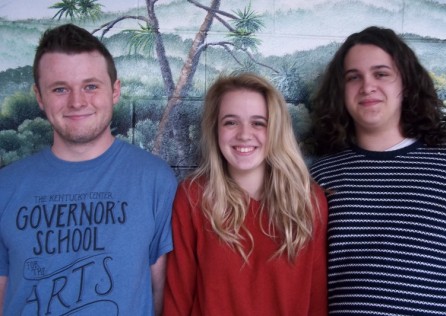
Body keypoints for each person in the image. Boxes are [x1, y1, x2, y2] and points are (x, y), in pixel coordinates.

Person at [0, 24, 177, 315]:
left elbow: (160, 295)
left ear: (115, 90)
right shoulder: (6, 187)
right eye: (60, 89)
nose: (77, 101)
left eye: (91, 86)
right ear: (39, 97)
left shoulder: (154, 180)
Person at [310, 25, 446, 315]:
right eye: (353, 77)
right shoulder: (321, 174)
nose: (367, 86)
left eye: (381, 74)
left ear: (407, 84)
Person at [163, 73, 328, 315]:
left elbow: (317, 302)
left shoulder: (308, 200)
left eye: (258, 123)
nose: (244, 134)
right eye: (231, 122)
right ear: (215, 129)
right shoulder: (193, 197)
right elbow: (177, 300)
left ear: (276, 130)